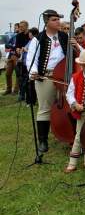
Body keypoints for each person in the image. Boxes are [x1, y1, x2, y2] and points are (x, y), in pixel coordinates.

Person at [26, 10, 67, 153]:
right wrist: (34, 72)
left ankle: (69, 135)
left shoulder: (64, 36)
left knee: (68, 105)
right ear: (47, 22)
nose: (58, 22)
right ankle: (43, 140)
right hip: (46, 76)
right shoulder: (38, 39)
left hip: (63, 76)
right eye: (55, 20)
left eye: (58, 19)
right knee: (45, 108)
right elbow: (32, 58)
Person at [15, 20, 30, 101]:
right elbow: (17, 46)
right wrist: (18, 50)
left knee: (27, 78)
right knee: (20, 77)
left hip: (28, 59)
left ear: (26, 26)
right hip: (21, 58)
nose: (20, 28)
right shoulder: (18, 35)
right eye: (20, 26)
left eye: (22, 26)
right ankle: (21, 95)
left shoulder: (30, 35)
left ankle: (28, 94)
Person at [3, 23, 19, 95]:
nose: (15, 29)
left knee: (18, 74)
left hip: (17, 57)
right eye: (14, 28)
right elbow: (7, 45)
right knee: (7, 73)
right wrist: (12, 46)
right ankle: (9, 89)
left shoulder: (22, 37)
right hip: (11, 56)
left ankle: (15, 90)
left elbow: (17, 47)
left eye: (16, 28)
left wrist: (13, 46)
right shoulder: (13, 36)